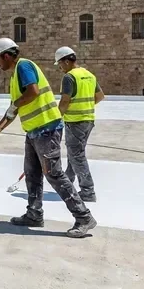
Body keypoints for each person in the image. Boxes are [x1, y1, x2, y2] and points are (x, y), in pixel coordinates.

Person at [0, 38, 96, 238]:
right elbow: (14, 109)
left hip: (47, 128)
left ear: (6, 55)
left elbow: (33, 92)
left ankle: (84, 217)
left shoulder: (24, 66)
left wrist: (15, 104)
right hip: (34, 131)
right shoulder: (14, 78)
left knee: (54, 174)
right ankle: (34, 213)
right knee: (32, 173)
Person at [55, 46, 105, 202]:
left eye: (60, 64)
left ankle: (88, 190)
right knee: (74, 153)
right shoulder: (89, 75)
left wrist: (55, 118)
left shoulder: (69, 77)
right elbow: (100, 96)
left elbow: (64, 101)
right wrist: (86, 107)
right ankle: (67, 182)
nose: (60, 68)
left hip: (75, 121)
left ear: (66, 61)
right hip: (88, 120)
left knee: (77, 155)